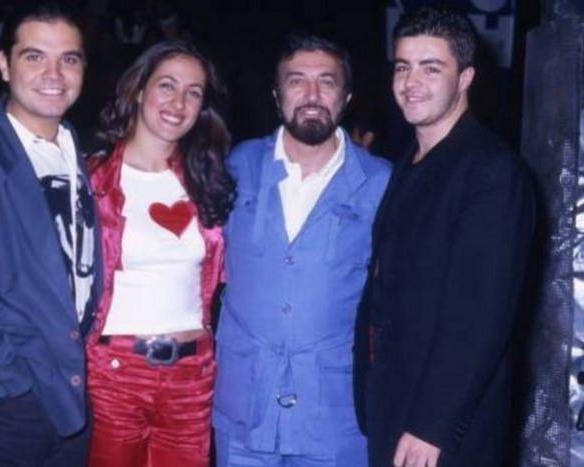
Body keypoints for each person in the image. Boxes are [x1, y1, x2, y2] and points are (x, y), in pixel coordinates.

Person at [356, 6, 535, 467]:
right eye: (403, 67)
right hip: (394, 403)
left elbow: (480, 314)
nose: (411, 82)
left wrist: (432, 425)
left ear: (465, 77)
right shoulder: (409, 162)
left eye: (431, 68)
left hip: (441, 431)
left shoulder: (490, 170)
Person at [214, 34, 392, 466]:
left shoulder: (383, 182)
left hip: (334, 417)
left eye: (326, 82)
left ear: (346, 98)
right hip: (244, 410)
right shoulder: (234, 166)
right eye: (297, 81)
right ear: (277, 96)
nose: (312, 95)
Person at [86, 39, 235, 467]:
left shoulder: (209, 180)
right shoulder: (90, 179)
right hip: (113, 373)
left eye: (193, 92)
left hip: (192, 375)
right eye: (167, 85)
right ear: (139, 90)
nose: (179, 102)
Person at [0, 1, 101, 465]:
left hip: (71, 396)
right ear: (3, 65)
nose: (54, 74)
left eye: (69, 58)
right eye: (34, 56)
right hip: (5, 404)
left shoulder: (72, 146)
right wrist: (7, 379)